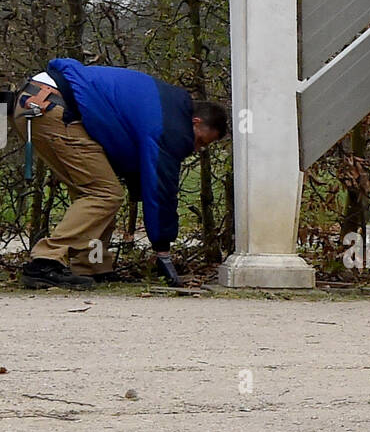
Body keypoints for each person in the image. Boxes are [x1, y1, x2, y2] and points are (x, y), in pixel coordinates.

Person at [12, 57, 227, 289]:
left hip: (35, 102)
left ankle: (92, 265)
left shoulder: (167, 106)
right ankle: (45, 262)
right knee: (105, 194)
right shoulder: (173, 127)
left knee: (93, 194)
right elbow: (161, 188)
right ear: (195, 123)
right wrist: (162, 247)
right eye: (200, 141)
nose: (194, 148)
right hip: (54, 107)